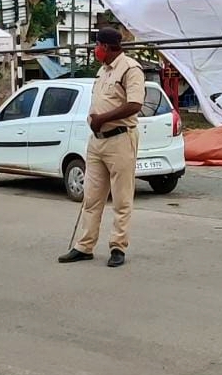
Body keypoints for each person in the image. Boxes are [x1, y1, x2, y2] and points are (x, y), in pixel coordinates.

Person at [58, 27, 145, 268]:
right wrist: (96, 122)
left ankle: (118, 246)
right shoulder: (102, 70)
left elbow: (135, 104)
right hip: (97, 140)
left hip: (120, 139)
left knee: (121, 198)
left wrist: (104, 118)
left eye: (97, 45)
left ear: (106, 47)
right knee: (92, 196)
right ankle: (84, 246)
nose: (95, 50)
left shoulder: (130, 69)